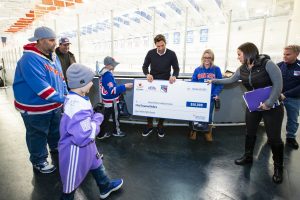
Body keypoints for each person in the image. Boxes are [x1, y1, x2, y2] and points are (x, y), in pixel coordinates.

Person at [209, 42, 284, 184]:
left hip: (272, 106)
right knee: (250, 132)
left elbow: (278, 84)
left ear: (248, 53)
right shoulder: (242, 69)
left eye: (239, 54)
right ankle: (248, 156)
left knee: (274, 138)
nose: (237, 57)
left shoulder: (267, 64)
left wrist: (269, 102)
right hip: (254, 104)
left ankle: (278, 168)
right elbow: (231, 79)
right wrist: (214, 80)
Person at [59, 63, 123, 200]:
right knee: (69, 186)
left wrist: (93, 114)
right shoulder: (77, 106)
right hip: (75, 150)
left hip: (88, 146)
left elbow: (84, 122)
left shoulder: (78, 98)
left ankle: (105, 186)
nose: (92, 84)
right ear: (81, 83)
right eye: (89, 81)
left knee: (96, 162)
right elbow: (85, 135)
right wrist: (98, 117)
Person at [13, 26, 67, 173]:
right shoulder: (29, 59)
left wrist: (66, 94)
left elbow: (60, 78)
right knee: (37, 135)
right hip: (35, 107)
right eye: (51, 40)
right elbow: (41, 88)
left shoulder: (53, 56)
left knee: (54, 130)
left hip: (54, 104)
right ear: (40, 41)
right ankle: (39, 160)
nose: (55, 43)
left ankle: (55, 147)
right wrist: (65, 100)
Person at [142, 34, 180, 138]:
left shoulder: (171, 54)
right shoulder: (150, 53)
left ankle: (160, 125)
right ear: (155, 45)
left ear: (165, 43)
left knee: (163, 105)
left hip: (165, 84)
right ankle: (149, 125)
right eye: (158, 46)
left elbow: (176, 68)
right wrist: (147, 74)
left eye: (162, 45)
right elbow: (144, 67)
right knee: (150, 105)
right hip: (152, 83)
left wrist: (174, 76)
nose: (161, 48)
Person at [189, 49, 223, 141]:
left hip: (210, 98)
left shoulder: (216, 69)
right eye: (205, 57)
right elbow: (193, 83)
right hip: (199, 98)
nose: (207, 59)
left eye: (209, 57)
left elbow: (220, 83)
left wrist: (215, 93)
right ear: (202, 58)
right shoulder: (197, 70)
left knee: (208, 116)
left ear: (212, 58)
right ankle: (194, 131)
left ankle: (207, 132)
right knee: (195, 115)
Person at [96, 56, 133, 139]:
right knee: (116, 116)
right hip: (112, 100)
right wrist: (125, 86)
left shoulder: (103, 72)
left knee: (105, 117)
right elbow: (112, 91)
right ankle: (117, 131)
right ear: (108, 65)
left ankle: (101, 134)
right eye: (113, 65)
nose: (114, 66)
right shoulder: (107, 75)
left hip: (107, 100)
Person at [277, 45, 300, 149]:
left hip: (293, 98)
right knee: (275, 118)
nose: (284, 57)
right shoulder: (279, 66)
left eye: (288, 54)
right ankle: (273, 137)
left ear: (296, 54)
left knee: (293, 119)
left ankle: (291, 137)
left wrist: (285, 95)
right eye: (284, 54)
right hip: (278, 97)